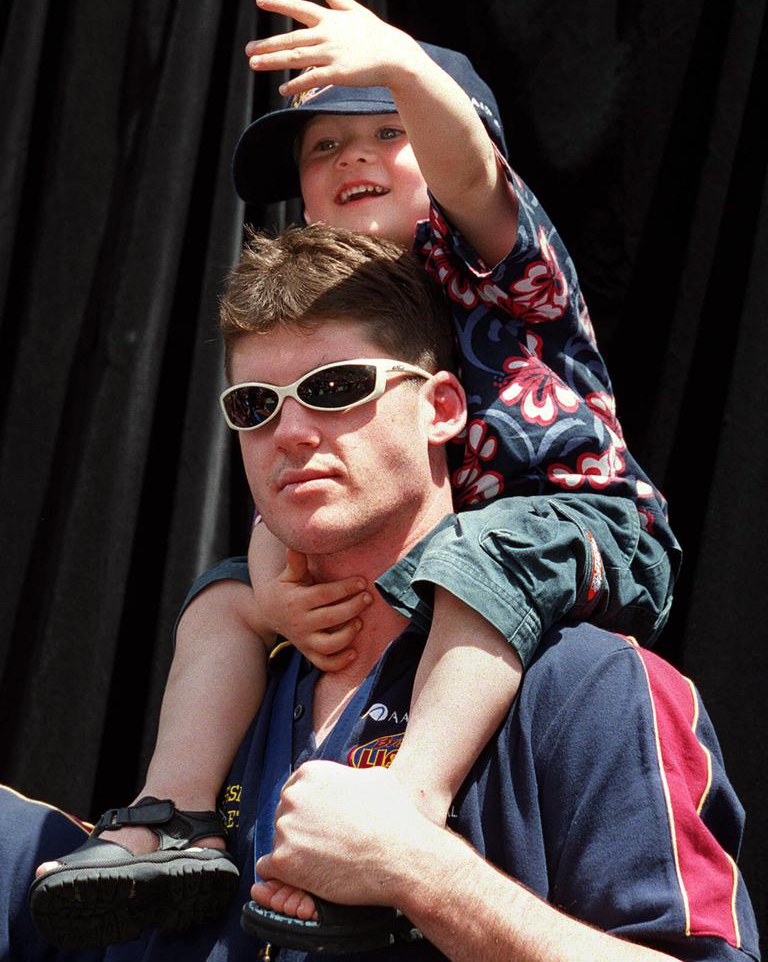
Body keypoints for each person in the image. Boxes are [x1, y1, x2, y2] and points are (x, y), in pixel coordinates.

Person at [32, 0, 681, 944]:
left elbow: (471, 171)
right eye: (325, 148)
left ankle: (408, 800)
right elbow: (273, 523)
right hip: (457, 560)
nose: (353, 157)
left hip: (588, 530)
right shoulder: (340, 313)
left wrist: (404, 66)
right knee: (218, 597)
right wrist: (273, 596)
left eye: (387, 132)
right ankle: (168, 819)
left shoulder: (500, 262)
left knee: (481, 551)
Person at [18, 226, 758, 961]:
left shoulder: (586, 688)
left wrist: (423, 874)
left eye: (334, 388)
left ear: (441, 407)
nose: (291, 433)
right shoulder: (230, 690)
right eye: (254, 405)